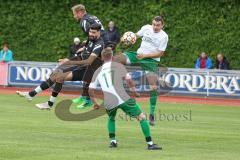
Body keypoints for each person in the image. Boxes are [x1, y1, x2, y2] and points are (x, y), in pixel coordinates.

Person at [16, 24, 104, 109]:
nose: (91, 34)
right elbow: (83, 53)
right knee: (56, 76)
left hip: (90, 71)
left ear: (99, 32)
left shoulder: (99, 44)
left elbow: (89, 61)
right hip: (83, 67)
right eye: (90, 32)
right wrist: (74, 56)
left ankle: (39, 98)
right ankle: (34, 96)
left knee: (59, 77)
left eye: (93, 32)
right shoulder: (90, 39)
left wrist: (69, 62)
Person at [89, 47, 162, 150]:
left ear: (101, 58)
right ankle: (150, 144)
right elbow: (129, 80)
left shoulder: (98, 71)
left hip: (109, 101)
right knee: (142, 117)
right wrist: (135, 92)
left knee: (111, 118)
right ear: (112, 56)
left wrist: (95, 103)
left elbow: (90, 89)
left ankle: (113, 142)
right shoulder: (118, 66)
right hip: (122, 98)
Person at [114, 16, 169, 126]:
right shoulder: (146, 28)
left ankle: (152, 115)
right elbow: (135, 35)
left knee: (153, 87)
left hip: (150, 60)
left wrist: (146, 55)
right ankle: (125, 79)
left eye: (158, 25)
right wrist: (127, 38)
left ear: (162, 25)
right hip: (138, 55)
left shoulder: (164, 36)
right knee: (116, 59)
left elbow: (160, 53)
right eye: (154, 24)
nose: (155, 27)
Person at [71, 4, 109, 107]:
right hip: (105, 44)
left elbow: (92, 36)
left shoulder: (84, 21)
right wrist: (86, 46)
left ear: (80, 12)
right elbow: (92, 36)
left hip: (101, 46)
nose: (74, 16)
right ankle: (84, 96)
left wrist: (86, 48)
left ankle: (88, 99)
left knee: (90, 69)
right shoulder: (92, 17)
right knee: (90, 70)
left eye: (74, 14)